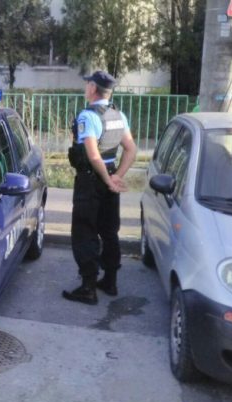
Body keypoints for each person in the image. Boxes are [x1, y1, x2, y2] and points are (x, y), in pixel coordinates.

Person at [62, 70, 137, 305]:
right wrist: (116, 177)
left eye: (88, 84)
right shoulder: (118, 115)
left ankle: (88, 288)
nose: (86, 88)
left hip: (91, 180)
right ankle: (110, 282)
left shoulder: (88, 116)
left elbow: (93, 155)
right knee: (109, 231)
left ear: (93, 88)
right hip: (109, 177)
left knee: (85, 231)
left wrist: (107, 179)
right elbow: (131, 149)